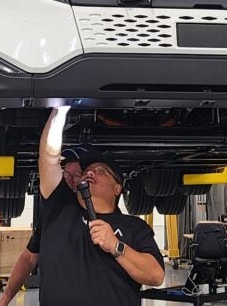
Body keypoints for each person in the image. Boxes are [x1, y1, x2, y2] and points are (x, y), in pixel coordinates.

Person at [32, 107, 164, 306]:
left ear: (117, 188)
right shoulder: (59, 208)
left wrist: (115, 245)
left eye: (101, 171)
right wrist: (59, 110)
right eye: (88, 170)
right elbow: (49, 159)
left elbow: (155, 276)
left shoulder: (134, 227)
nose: (90, 173)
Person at [0, 146, 89, 306]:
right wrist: (5, 298)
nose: (70, 179)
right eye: (67, 174)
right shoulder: (53, 214)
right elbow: (29, 257)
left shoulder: (105, 215)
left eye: (77, 175)